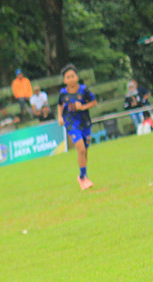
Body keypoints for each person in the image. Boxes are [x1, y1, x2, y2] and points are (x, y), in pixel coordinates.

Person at [56, 63, 97, 191]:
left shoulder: (84, 90)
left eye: (73, 76)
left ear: (77, 77)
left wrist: (83, 107)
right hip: (71, 123)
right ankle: (83, 178)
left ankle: (83, 175)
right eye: (68, 77)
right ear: (64, 80)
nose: (71, 79)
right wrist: (60, 117)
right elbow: (60, 104)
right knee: (81, 149)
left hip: (84, 122)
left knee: (84, 150)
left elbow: (94, 102)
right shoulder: (63, 93)